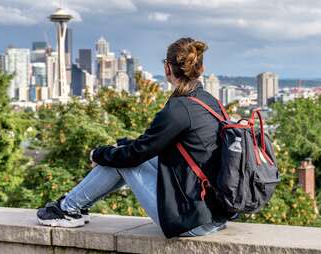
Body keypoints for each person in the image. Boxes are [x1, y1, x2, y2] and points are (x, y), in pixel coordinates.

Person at [36, 37, 234, 238]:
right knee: (124, 154)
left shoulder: (178, 109)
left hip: (192, 221)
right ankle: (74, 206)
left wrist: (98, 154)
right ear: (200, 67)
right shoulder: (210, 102)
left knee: (125, 160)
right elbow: (149, 147)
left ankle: (68, 208)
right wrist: (118, 149)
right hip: (215, 215)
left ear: (167, 68)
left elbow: (135, 156)